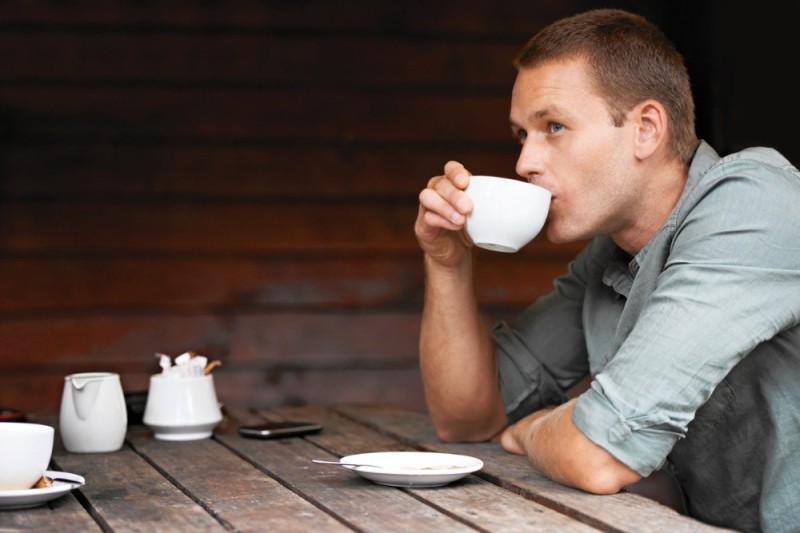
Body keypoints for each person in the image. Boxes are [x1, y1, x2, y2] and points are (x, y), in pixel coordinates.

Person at [414, 8, 800, 533]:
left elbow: (597, 454)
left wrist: (529, 432)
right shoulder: (608, 260)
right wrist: (447, 262)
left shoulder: (755, 203)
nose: (525, 161)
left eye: (553, 127)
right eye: (521, 135)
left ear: (645, 129)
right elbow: (466, 419)